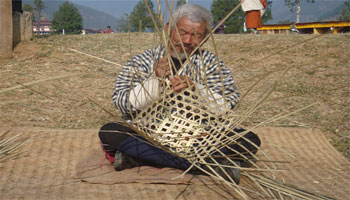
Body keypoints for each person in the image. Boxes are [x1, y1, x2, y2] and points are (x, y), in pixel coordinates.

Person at [98, 4, 261, 184]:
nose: (187, 40)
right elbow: (121, 102)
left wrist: (196, 90)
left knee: (248, 140)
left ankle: (140, 159)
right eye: (182, 32)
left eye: (197, 35)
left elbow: (228, 104)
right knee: (111, 131)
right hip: (150, 134)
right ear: (169, 29)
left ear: (206, 38)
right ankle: (207, 166)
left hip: (198, 137)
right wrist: (154, 81)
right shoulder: (142, 60)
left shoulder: (212, 64)